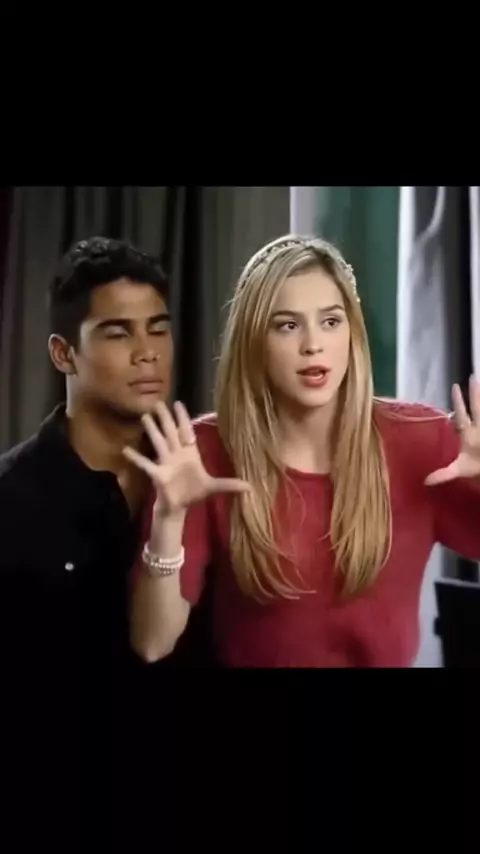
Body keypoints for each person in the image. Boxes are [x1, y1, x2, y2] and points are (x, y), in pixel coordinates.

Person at [124, 234, 480, 668]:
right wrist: (167, 519)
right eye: (288, 325)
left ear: (352, 333)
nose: (313, 344)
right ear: (253, 341)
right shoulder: (204, 452)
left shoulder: (422, 439)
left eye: (330, 321)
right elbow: (152, 641)